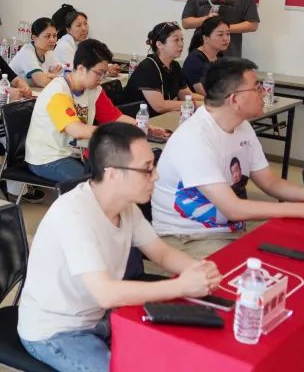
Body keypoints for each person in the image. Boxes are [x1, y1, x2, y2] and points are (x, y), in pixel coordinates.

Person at [18, 122, 221, 372]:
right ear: (113, 173)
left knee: (177, 353)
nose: (156, 176)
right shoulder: (73, 214)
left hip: (98, 317)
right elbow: (106, 293)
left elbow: (161, 252)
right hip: (55, 331)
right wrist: (181, 286)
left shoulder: (126, 207)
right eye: (147, 170)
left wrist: (197, 270)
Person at [152, 58, 304, 258]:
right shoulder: (195, 138)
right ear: (235, 99)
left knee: (300, 246)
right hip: (188, 236)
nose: (264, 93)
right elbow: (233, 209)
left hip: (229, 227)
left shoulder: (241, 126)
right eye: (257, 88)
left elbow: (271, 183)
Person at [25, 40, 147, 181]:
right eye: (99, 73)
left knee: (120, 171)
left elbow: (114, 117)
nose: (101, 79)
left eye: (104, 74)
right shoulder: (57, 92)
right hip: (48, 158)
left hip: (75, 152)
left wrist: (142, 126)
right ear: (82, 69)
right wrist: (116, 133)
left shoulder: (93, 89)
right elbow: (77, 130)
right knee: (96, 182)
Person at [121, 22, 201, 117]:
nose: (181, 44)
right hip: (137, 120)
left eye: (182, 39)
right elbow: (159, 106)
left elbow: (186, 95)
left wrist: (210, 101)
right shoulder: (147, 67)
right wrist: (196, 104)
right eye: (176, 40)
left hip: (158, 118)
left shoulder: (174, 65)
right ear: (159, 44)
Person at [183, 16, 230, 96]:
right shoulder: (195, 59)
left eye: (228, 34)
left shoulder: (220, 56)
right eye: (220, 35)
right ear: (205, 38)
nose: (225, 38)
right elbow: (203, 93)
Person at [9, 17, 61, 88]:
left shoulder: (49, 52)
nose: (52, 40)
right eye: (47, 36)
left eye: (54, 36)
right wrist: (50, 76)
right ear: (34, 38)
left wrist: (48, 76)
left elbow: (62, 74)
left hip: (33, 92)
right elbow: (41, 82)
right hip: (12, 93)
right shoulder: (27, 52)